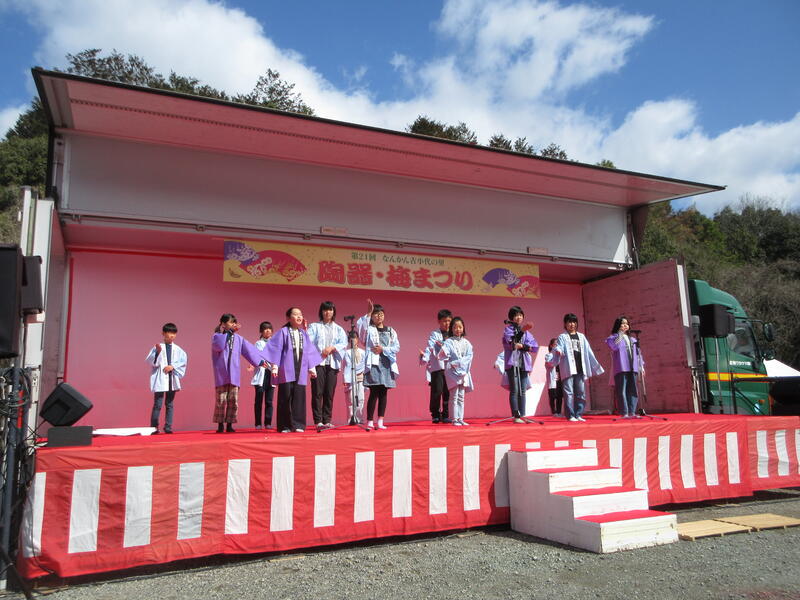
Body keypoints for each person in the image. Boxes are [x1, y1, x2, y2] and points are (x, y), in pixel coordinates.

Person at [261, 307, 322, 433]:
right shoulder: (283, 332)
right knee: (285, 397)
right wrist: (275, 366)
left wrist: (312, 367)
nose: (299, 317)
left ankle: (298, 424)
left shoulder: (303, 333)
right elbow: (276, 349)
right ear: (288, 318)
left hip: (301, 370)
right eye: (296, 314)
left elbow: (309, 351)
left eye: (300, 314)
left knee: (299, 397)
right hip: (286, 370)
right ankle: (285, 425)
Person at [211, 314, 265, 433]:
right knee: (221, 400)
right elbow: (219, 346)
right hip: (221, 373)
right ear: (223, 324)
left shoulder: (239, 339)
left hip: (234, 373)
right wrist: (230, 333)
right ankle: (220, 425)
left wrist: (260, 361)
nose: (233, 324)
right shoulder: (217, 336)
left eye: (234, 322)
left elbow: (249, 350)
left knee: (233, 400)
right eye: (231, 322)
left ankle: (230, 424)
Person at [551, 313, 604, 422]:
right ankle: (570, 415)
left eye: (574, 322)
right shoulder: (562, 336)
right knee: (568, 393)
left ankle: (578, 414)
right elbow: (559, 347)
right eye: (569, 322)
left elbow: (588, 351)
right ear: (565, 324)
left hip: (580, 368)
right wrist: (559, 351)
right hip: (568, 368)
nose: (572, 324)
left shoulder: (581, 336)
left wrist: (596, 366)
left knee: (581, 392)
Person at [357, 298, 400, 430]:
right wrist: (368, 313)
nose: (379, 316)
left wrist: (383, 349)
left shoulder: (391, 330)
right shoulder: (369, 329)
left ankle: (380, 420)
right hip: (374, 364)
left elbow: (396, 347)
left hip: (386, 364)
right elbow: (361, 331)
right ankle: (370, 421)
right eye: (376, 314)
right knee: (374, 392)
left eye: (381, 313)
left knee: (383, 393)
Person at [307, 301, 348, 429]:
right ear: (321, 312)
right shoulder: (315, 327)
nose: (327, 312)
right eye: (325, 310)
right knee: (317, 392)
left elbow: (344, 343)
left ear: (333, 312)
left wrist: (332, 348)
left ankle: (327, 419)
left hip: (332, 364)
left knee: (329, 393)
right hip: (318, 363)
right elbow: (308, 343)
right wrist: (320, 352)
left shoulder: (339, 329)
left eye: (330, 310)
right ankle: (318, 421)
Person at [146, 322, 187, 434]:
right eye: (169, 332)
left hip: (171, 379)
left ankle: (168, 427)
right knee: (158, 404)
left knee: (169, 404)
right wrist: (158, 353)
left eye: (174, 333)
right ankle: (154, 427)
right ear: (163, 333)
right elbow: (152, 362)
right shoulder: (158, 347)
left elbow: (183, 361)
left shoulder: (178, 349)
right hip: (160, 378)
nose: (172, 335)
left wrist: (172, 366)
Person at [502, 306, 539, 423]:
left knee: (522, 390)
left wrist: (523, 346)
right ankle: (516, 416)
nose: (519, 317)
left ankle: (523, 415)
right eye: (516, 315)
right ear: (511, 318)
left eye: (520, 315)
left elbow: (534, 347)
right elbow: (512, 343)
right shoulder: (508, 330)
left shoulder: (527, 333)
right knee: (515, 390)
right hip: (513, 364)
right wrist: (522, 332)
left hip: (524, 364)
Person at [606, 316, 645, 418]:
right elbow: (614, 347)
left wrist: (641, 366)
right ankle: (624, 412)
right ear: (618, 325)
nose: (625, 325)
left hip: (633, 367)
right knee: (621, 390)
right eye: (622, 323)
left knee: (633, 390)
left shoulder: (633, 339)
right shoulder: (613, 338)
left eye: (626, 323)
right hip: (621, 367)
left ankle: (632, 412)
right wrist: (620, 334)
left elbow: (638, 354)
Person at [438, 316, 473, 426]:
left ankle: (460, 418)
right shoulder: (449, 341)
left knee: (461, 396)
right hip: (452, 371)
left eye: (460, 327)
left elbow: (469, 356)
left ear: (463, 328)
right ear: (451, 329)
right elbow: (444, 353)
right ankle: (454, 419)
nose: (458, 329)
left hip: (463, 371)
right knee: (454, 395)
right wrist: (443, 349)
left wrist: (460, 363)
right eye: (455, 327)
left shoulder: (467, 343)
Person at [419, 309, 452, 423]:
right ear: (439, 321)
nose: (447, 323)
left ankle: (446, 414)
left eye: (449, 321)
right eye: (444, 321)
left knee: (448, 392)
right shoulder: (435, 334)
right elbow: (430, 347)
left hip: (450, 368)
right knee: (437, 391)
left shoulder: (453, 334)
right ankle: (435, 414)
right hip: (437, 367)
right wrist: (424, 356)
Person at [249, 321, 278, 429]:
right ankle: (258, 423)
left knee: (269, 401)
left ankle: (268, 423)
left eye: (269, 328)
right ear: (261, 331)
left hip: (271, 373)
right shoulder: (258, 343)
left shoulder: (275, 343)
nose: (268, 330)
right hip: (261, 372)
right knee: (259, 400)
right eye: (265, 329)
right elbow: (259, 356)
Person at [342, 330, 366, 425]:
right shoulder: (346, 352)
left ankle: (359, 418)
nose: (353, 340)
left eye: (355, 338)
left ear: (357, 339)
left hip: (361, 378)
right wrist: (346, 379)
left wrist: (360, 371)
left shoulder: (363, 352)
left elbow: (365, 365)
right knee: (350, 400)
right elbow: (347, 366)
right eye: (351, 338)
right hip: (350, 378)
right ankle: (351, 419)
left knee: (361, 399)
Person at [544, 338, 563, 417]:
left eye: (558, 345)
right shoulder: (549, 355)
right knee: (552, 395)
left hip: (560, 377)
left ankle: (559, 412)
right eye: (555, 344)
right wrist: (556, 358)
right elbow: (549, 364)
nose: (557, 346)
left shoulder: (561, 355)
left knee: (559, 395)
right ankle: (554, 412)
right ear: (551, 346)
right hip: (553, 378)